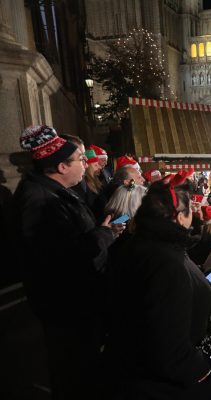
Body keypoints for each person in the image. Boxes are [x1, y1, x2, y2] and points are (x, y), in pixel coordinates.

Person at [14, 125, 123, 400]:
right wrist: (104, 234)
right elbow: (64, 258)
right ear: (62, 167)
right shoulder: (39, 201)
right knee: (74, 376)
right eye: (79, 160)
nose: (86, 164)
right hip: (68, 309)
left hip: (76, 305)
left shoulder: (53, 192)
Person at [103, 179, 211, 399]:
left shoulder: (142, 242)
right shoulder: (165, 263)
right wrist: (202, 371)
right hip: (161, 385)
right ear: (179, 216)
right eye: (190, 208)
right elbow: (167, 348)